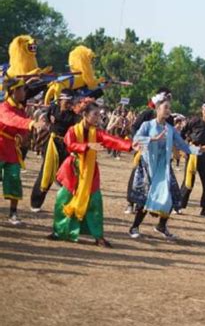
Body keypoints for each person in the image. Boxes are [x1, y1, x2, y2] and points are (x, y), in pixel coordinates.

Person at [129, 92, 205, 240]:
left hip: (164, 167)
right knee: (146, 198)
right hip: (149, 166)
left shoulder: (170, 129)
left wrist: (199, 150)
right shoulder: (147, 125)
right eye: (165, 107)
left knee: (172, 196)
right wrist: (152, 139)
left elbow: (182, 146)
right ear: (157, 108)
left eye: (169, 108)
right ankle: (134, 227)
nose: (168, 111)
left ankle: (161, 225)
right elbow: (136, 140)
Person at [50, 102, 134, 246]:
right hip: (73, 170)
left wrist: (130, 145)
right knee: (63, 198)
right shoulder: (73, 130)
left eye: (98, 114)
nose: (97, 118)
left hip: (90, 171)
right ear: (85, 115)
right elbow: (70, 145)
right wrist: (87, 146)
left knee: (95, 202)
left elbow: (111, 140)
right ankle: (59, 231)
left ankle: (98, 237)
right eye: (95, 114)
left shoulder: (97, 132)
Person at [30, 89, 79, 211]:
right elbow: (42, 118)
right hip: (51, 144)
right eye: (67, 101)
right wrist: (45, 124)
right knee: (46, 172)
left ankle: (69, 204)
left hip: (66, 146)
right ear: (60, 100)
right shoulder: (52, 109)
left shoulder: (74, 115)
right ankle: (35, 203)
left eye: (70, 102)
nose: (69, 104)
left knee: (68, 173)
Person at [0, 78, 41, 225]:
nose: (24, 92)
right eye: (22, 89)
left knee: (14, 180)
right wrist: (30, 123)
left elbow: (21, 127)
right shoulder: (4, 108)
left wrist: (25, 135)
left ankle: (13, 213)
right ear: (13, 92)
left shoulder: (20, 109)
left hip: (11, 149)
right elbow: (12, 120)